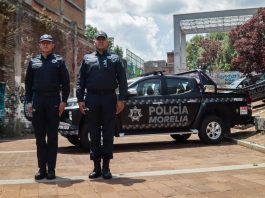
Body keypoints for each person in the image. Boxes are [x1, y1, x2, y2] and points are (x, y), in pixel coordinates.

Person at [76, 31, 128, 179]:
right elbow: (81, 81)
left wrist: (121, 99)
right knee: (93, 133)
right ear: (94, 42)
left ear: (107, 42)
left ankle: (106, 168)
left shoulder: (115, 59)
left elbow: (123, 81)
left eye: (103, 39)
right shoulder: (87, 59)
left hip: (109, 98)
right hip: (91, 98)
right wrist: (80, 99)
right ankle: (96, 167)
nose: (100, 42)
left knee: (107, 134)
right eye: (98, 39)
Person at [25, 34, 70, 180]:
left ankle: (51, 169)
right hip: (37, 100)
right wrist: (29, 101)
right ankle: (41, 169)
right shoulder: (33, 62)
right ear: (39, 45)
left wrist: (64, 101)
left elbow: (66, 83)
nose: (45, 45)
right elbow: (28, 84)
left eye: (48, 43)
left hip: (53, 101)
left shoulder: (59, 61)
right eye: (43, 42)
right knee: (39, 137)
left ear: (52, 45)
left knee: (52, 137)